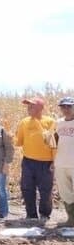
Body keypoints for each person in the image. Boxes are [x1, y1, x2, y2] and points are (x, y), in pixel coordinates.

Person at [15, 97, 56, 222]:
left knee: (45, 190)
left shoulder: (50, 122)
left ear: (40, 108)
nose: (28, 108)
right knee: (27, 188)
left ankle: (44, 214)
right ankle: (31, 215)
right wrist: (11, 137)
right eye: (28, 106)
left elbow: (55, 144)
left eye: (31, 106)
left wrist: (54, 161)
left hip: (46, 162)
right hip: (28, 161)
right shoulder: (24, 122)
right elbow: (19, 141)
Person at [54, 97, 74, 227]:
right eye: (63, 107)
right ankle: (71, 220)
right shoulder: (58, 123)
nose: (66, 109)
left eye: (69, 106)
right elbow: (54, 142)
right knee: (65, 193)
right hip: (60, 163)